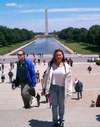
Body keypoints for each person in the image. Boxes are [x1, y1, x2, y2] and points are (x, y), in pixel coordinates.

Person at [42, 49, 72, 127]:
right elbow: (46, 77)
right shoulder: (51, 65)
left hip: (62, 88)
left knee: (62, 106)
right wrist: (44, 88)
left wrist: (69, 91)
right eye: (57, 55)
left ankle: (61, 120)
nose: (58, 56)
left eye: (60, 55)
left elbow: (69, 80)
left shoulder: (67, 66)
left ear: (62, 56)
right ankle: (55, 121)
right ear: (54, 56)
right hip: (53, 88)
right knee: (54, 106)